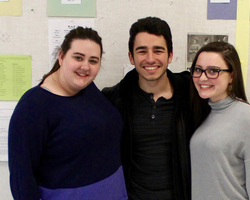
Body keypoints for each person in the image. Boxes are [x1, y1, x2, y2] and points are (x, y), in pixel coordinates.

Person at [8, 26, 127, 200]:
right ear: (62, 56)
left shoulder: (88, 89)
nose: (85, 66)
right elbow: (21, 180)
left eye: (93, 61)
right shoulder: (33, 108)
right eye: (78, 57)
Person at [102, 17, 210, 200]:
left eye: (158, 50)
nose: (150, 59)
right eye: (142, 51)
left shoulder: (193, 97)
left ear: (170, 55)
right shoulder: (114, 100)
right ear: (131, 57)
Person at [189, 41, 250, 199]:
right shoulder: (204, 113)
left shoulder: (248, 118)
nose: (203, 77)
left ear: (232, 76)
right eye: (198, 70)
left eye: (213, 71)